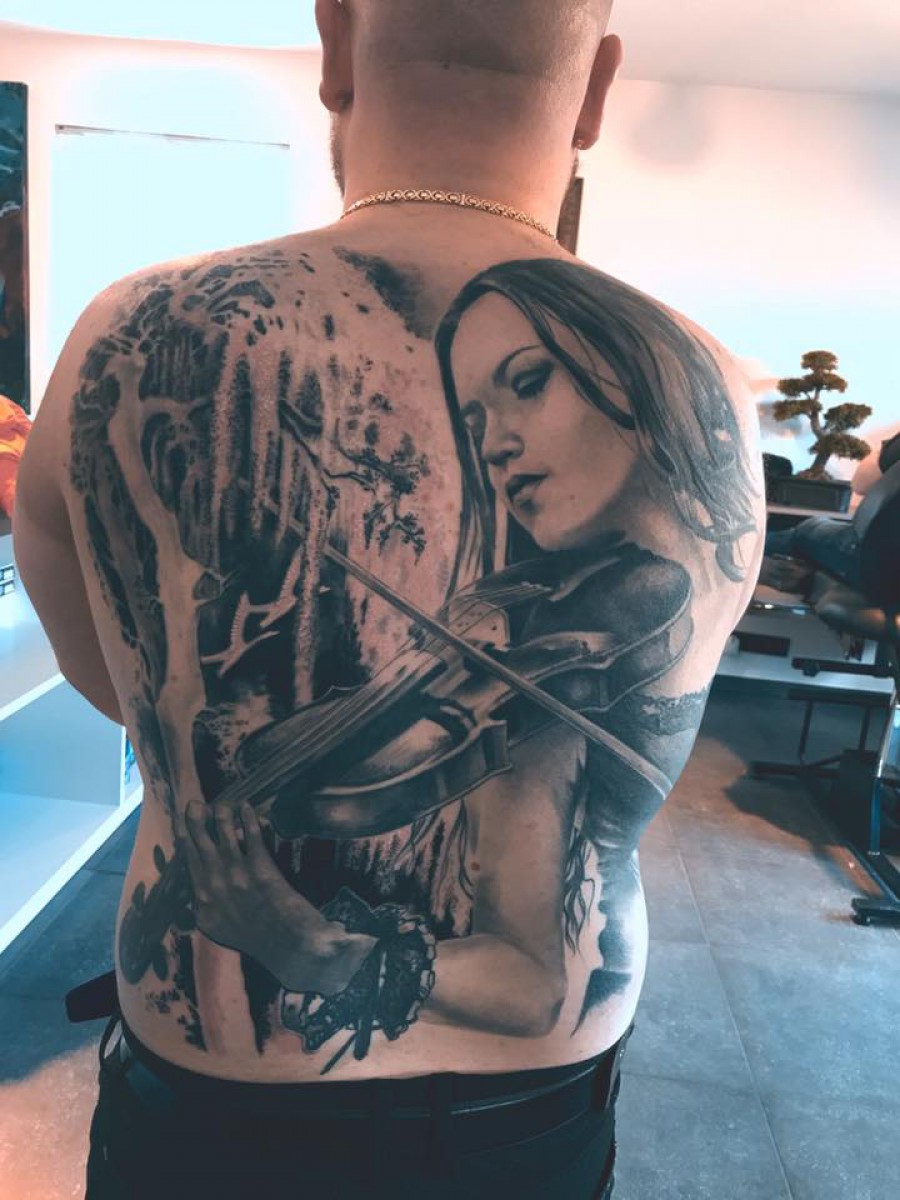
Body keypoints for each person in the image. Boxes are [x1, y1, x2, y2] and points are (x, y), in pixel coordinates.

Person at [12, 2, 766, 1197]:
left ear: (334, 44)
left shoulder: (126, 331)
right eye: (478, 415)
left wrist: (308, 939)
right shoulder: (719, 390)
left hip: (212, 1118)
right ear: (596, 89)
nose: (497, 444)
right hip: (529, 1126)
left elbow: (124, 693)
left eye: (528, 384)